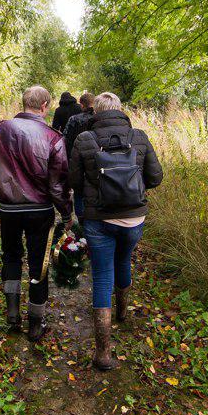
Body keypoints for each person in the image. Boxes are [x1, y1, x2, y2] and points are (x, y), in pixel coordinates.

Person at [68, 92, 163, 370]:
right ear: (120, 110)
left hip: (98, 220)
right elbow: (156, 177)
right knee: (123, 260)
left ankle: (103, 353)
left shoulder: (85, 139)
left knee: (101, 275)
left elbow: (73, 180)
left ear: (95, 112)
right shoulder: (140, 137)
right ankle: (122, 311)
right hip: (134, 219)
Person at [0, 85, 73, 340]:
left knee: (11, 256)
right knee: (39, 264)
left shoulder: (0, 129)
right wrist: (66, 213)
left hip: (8, 209)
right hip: (40, 210)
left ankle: (12, 312)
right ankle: (36, 323)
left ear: (24, 103)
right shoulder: (53, 138)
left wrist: (3, 169)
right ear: (45, 106)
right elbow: (57, 184)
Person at [62, 92, 96, 218]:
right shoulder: (99, 119)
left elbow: (65, 139)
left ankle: (81, 219)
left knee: (79, 188)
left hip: (77, 158)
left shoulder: (74, 119)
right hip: (97, 159)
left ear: (82, 105)